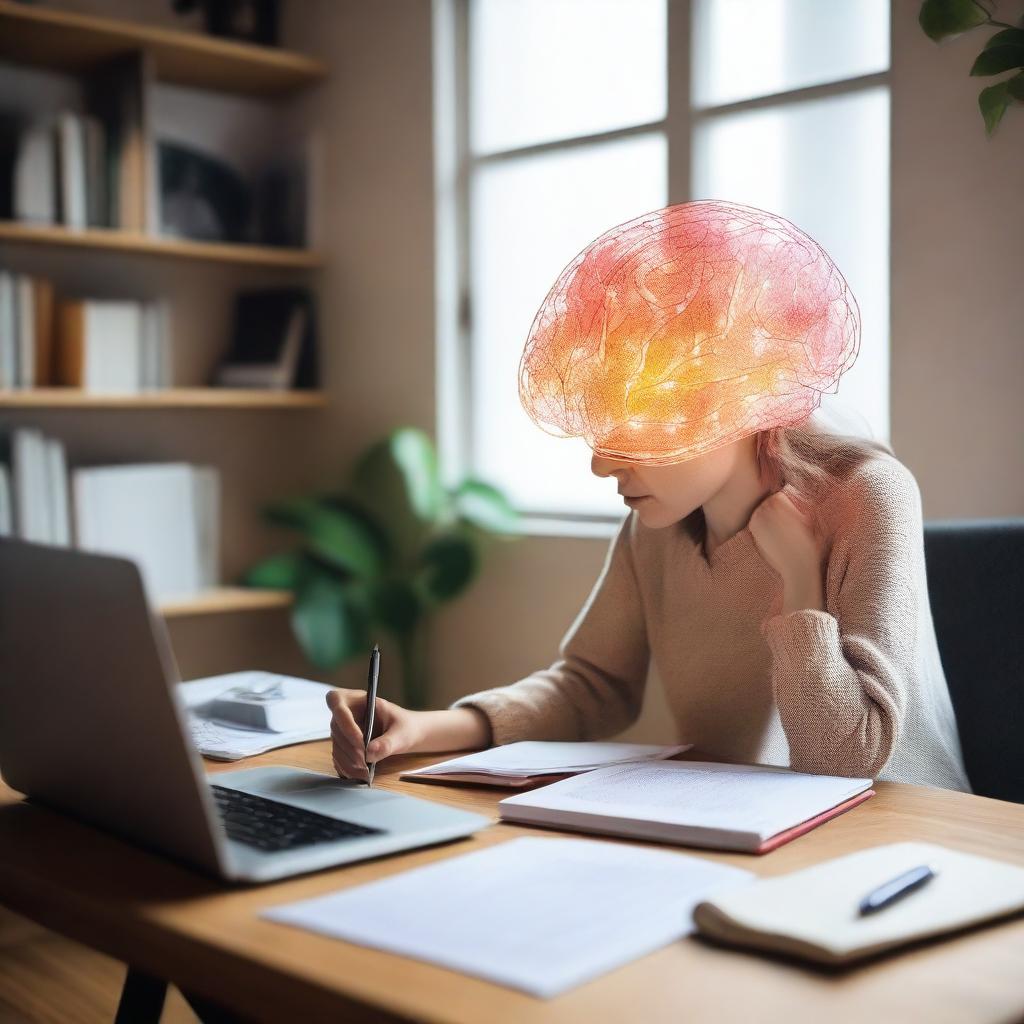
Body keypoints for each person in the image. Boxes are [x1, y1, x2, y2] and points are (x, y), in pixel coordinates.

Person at [327, 201, 970, 791]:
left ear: (738, 407)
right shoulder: (658, 524)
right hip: (744, 832)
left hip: (907, 841)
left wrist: (800, 581)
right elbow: (592, 686)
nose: (602, 465)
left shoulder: (869, 498)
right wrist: (422, 728)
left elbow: (843, 762)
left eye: (633, 432)